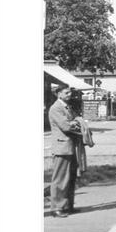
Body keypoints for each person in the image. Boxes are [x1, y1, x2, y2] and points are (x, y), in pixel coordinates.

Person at [48, 85, 81, 217]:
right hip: (62, 148)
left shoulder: (66, 106)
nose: (69, 95)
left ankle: (67, 205)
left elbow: (74, 121)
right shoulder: (56, 108)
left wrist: (76, 122)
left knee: (71, 178)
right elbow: (66, 126)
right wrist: (76, 124)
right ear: (58, 94)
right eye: (66, 93)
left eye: (70, 93)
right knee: (60, 179)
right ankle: (56, 208)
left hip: (69, 147)